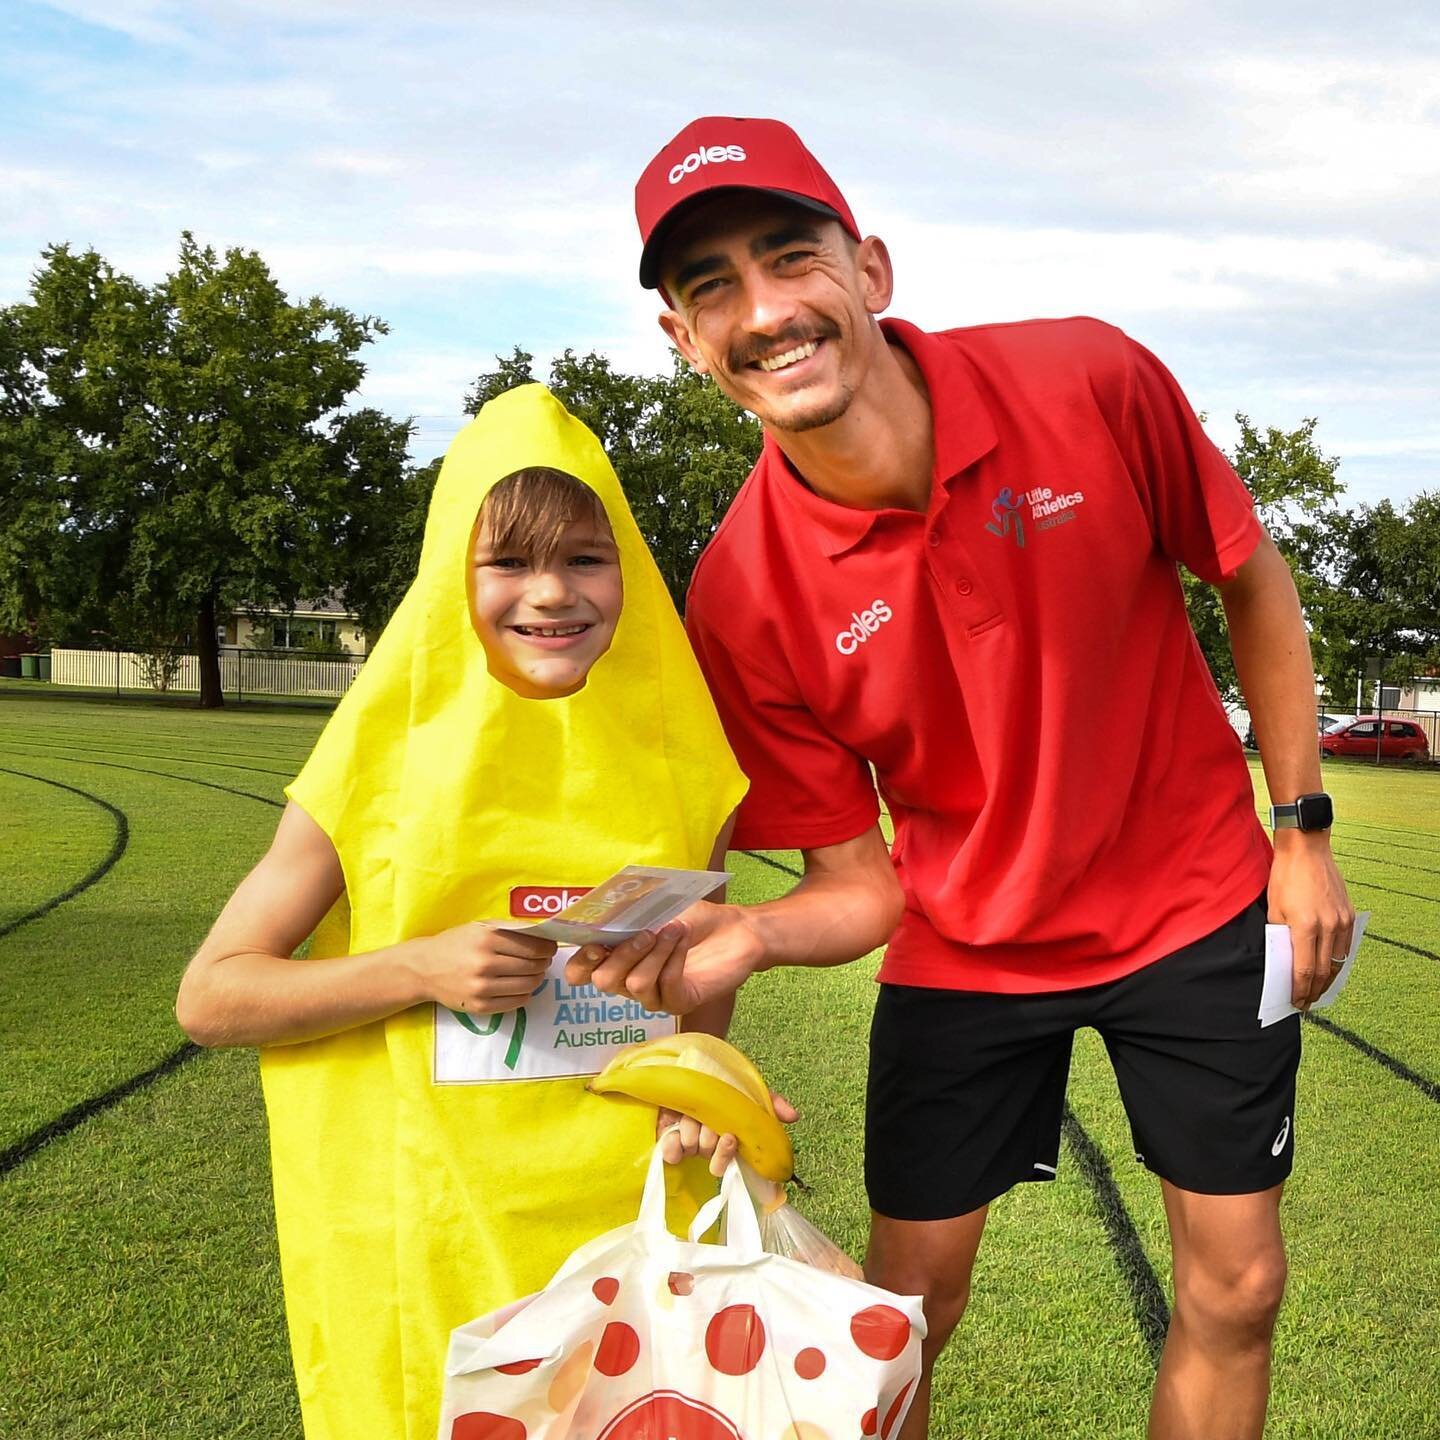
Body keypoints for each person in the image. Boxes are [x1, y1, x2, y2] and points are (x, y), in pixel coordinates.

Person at [570, 117, 1356, 1440]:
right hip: (966, 951)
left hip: (1199, 905)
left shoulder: (1088, 377)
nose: (765, 309)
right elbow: (856, 887)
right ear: (683, 342)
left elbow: (1249, 573)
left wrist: (1303, 829)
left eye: (789, 256)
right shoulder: (744, 592)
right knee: (898, 1319)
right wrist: (752, 934)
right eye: (712, 288)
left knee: (1241, 1288)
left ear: (869, 269)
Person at [174, 384, 749, 1440]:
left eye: (585, 556)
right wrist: (417, 967)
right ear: (454, 574)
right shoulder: (372, 765)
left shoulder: (681, 759)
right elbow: (212, 997)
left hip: (616, 1216)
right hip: (420, 1222)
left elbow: (695, 984)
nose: (552, 594)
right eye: (510, 562)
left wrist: (698, 1080)